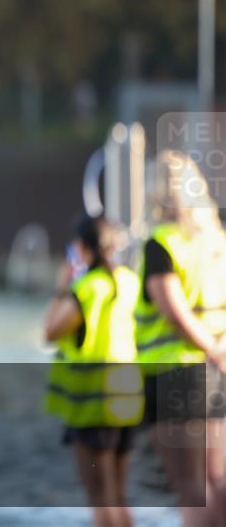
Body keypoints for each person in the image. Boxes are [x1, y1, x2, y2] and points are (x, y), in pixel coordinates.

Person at [134, 151, 226, 527]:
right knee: (217, 480)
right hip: (216, 372)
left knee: (190, 486)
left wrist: (210, 348)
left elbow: (174, 312)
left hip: (177, 374)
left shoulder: (161, 243)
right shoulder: (215, 242)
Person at [43, 214, 141, 527]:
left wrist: (61, 289)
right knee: (119, 495)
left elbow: (51, 331)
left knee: (99, 497)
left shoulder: (88, 287)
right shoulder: (130, 281)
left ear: (83, 247)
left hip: (93, 400)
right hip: (128, 393)